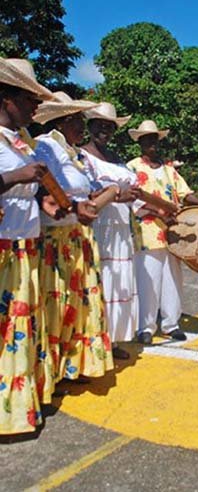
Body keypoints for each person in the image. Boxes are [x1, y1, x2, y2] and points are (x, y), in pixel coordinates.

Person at [34, 92, 113, 384]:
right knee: (58, 304)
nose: (83, 127)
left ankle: (72, 364)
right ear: (65, 120)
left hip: (79, 236)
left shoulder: (73, 153)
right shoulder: (45, 146)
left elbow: (83, 188)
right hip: (57, 237)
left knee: (78, 304)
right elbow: (44, 188)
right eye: (79, 121)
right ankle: (52, 371)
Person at [0, 57, 54, 434]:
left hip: (25, 245)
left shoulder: (20, 143)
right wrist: (18, 175)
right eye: (28, 98)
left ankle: (17, 411)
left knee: (19, 329)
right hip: (3, 248)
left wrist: (42, 201)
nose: (36, 107)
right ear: (6, 99)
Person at [127, 120, 198, 345]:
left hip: (174, 232)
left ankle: (171, 323)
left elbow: (185, 194)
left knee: (172, 279)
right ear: (140, 142)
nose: (152, 144)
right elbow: (133, 200)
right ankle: (146, 326)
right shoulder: (133, 167)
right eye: (147, 140)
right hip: (148, 231)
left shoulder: (169, 170)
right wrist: (158, 214)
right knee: (148, 281)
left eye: (155, 140)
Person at [81, 102, 140, 360]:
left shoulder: (118, 160)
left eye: (109, 127)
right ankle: (95, 338)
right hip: (98, 226)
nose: (104, 131)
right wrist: (117, 194)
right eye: (100, 125)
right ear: (90, 126)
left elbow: (134, 192)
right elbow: (89, 193)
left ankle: (114, 339)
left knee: (119, 282)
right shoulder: (82, 156)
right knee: (100, 281)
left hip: (120, 230)